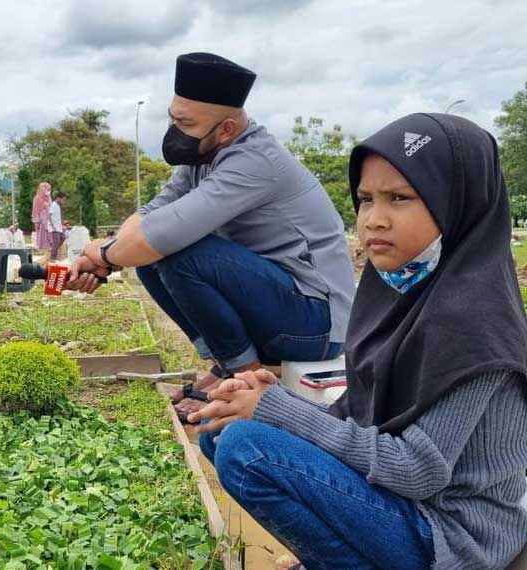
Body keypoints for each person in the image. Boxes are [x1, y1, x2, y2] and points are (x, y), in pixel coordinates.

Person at [193, 113, 527, 569]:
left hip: (455, 535)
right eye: (366, 199)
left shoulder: (474, 318)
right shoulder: (399, 289)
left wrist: (277, 413)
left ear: (458, 204)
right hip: (407, 505)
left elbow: (417, 470)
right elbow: (363, 419)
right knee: (225, 431)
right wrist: (267, 399)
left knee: (246, 449)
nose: (374, 220)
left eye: (400, 198)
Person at [67, 53, 355, 421]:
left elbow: (156, 237)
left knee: (176, 252)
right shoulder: (202, 158)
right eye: (173, 118)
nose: (175, 131)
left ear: (227, 130)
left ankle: (248, 381)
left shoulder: (254, 161)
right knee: (155, 257)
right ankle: (229, 365)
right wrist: (105, 257)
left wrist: (101, 253)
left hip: (317, 323)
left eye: (186, 123)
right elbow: (149, 217)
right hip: (278, 306)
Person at [31, 182, 52, 249]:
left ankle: (49, 249)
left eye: (49, 189)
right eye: (46, 189)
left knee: (50, 235)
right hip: (41, 220)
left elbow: (51, 207)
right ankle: (42, 249)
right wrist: (36, 221)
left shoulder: (48, 197)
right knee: (42, 236)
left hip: (49, 219)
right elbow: (35, 210)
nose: (48, 191)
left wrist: (48, 197)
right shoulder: (37, 198)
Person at [49, 192, 67, 261]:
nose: (63, 201)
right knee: (56, 242)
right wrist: (52, 226)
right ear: (58, 198)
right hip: (55, 228)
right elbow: (49, 215)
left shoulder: (58, 206)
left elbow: (58, 217)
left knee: (63, 237)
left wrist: (62, 225)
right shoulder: (53, 205)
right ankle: (53, 257)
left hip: (59, 227)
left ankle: (54, 249)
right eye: (63, 200)